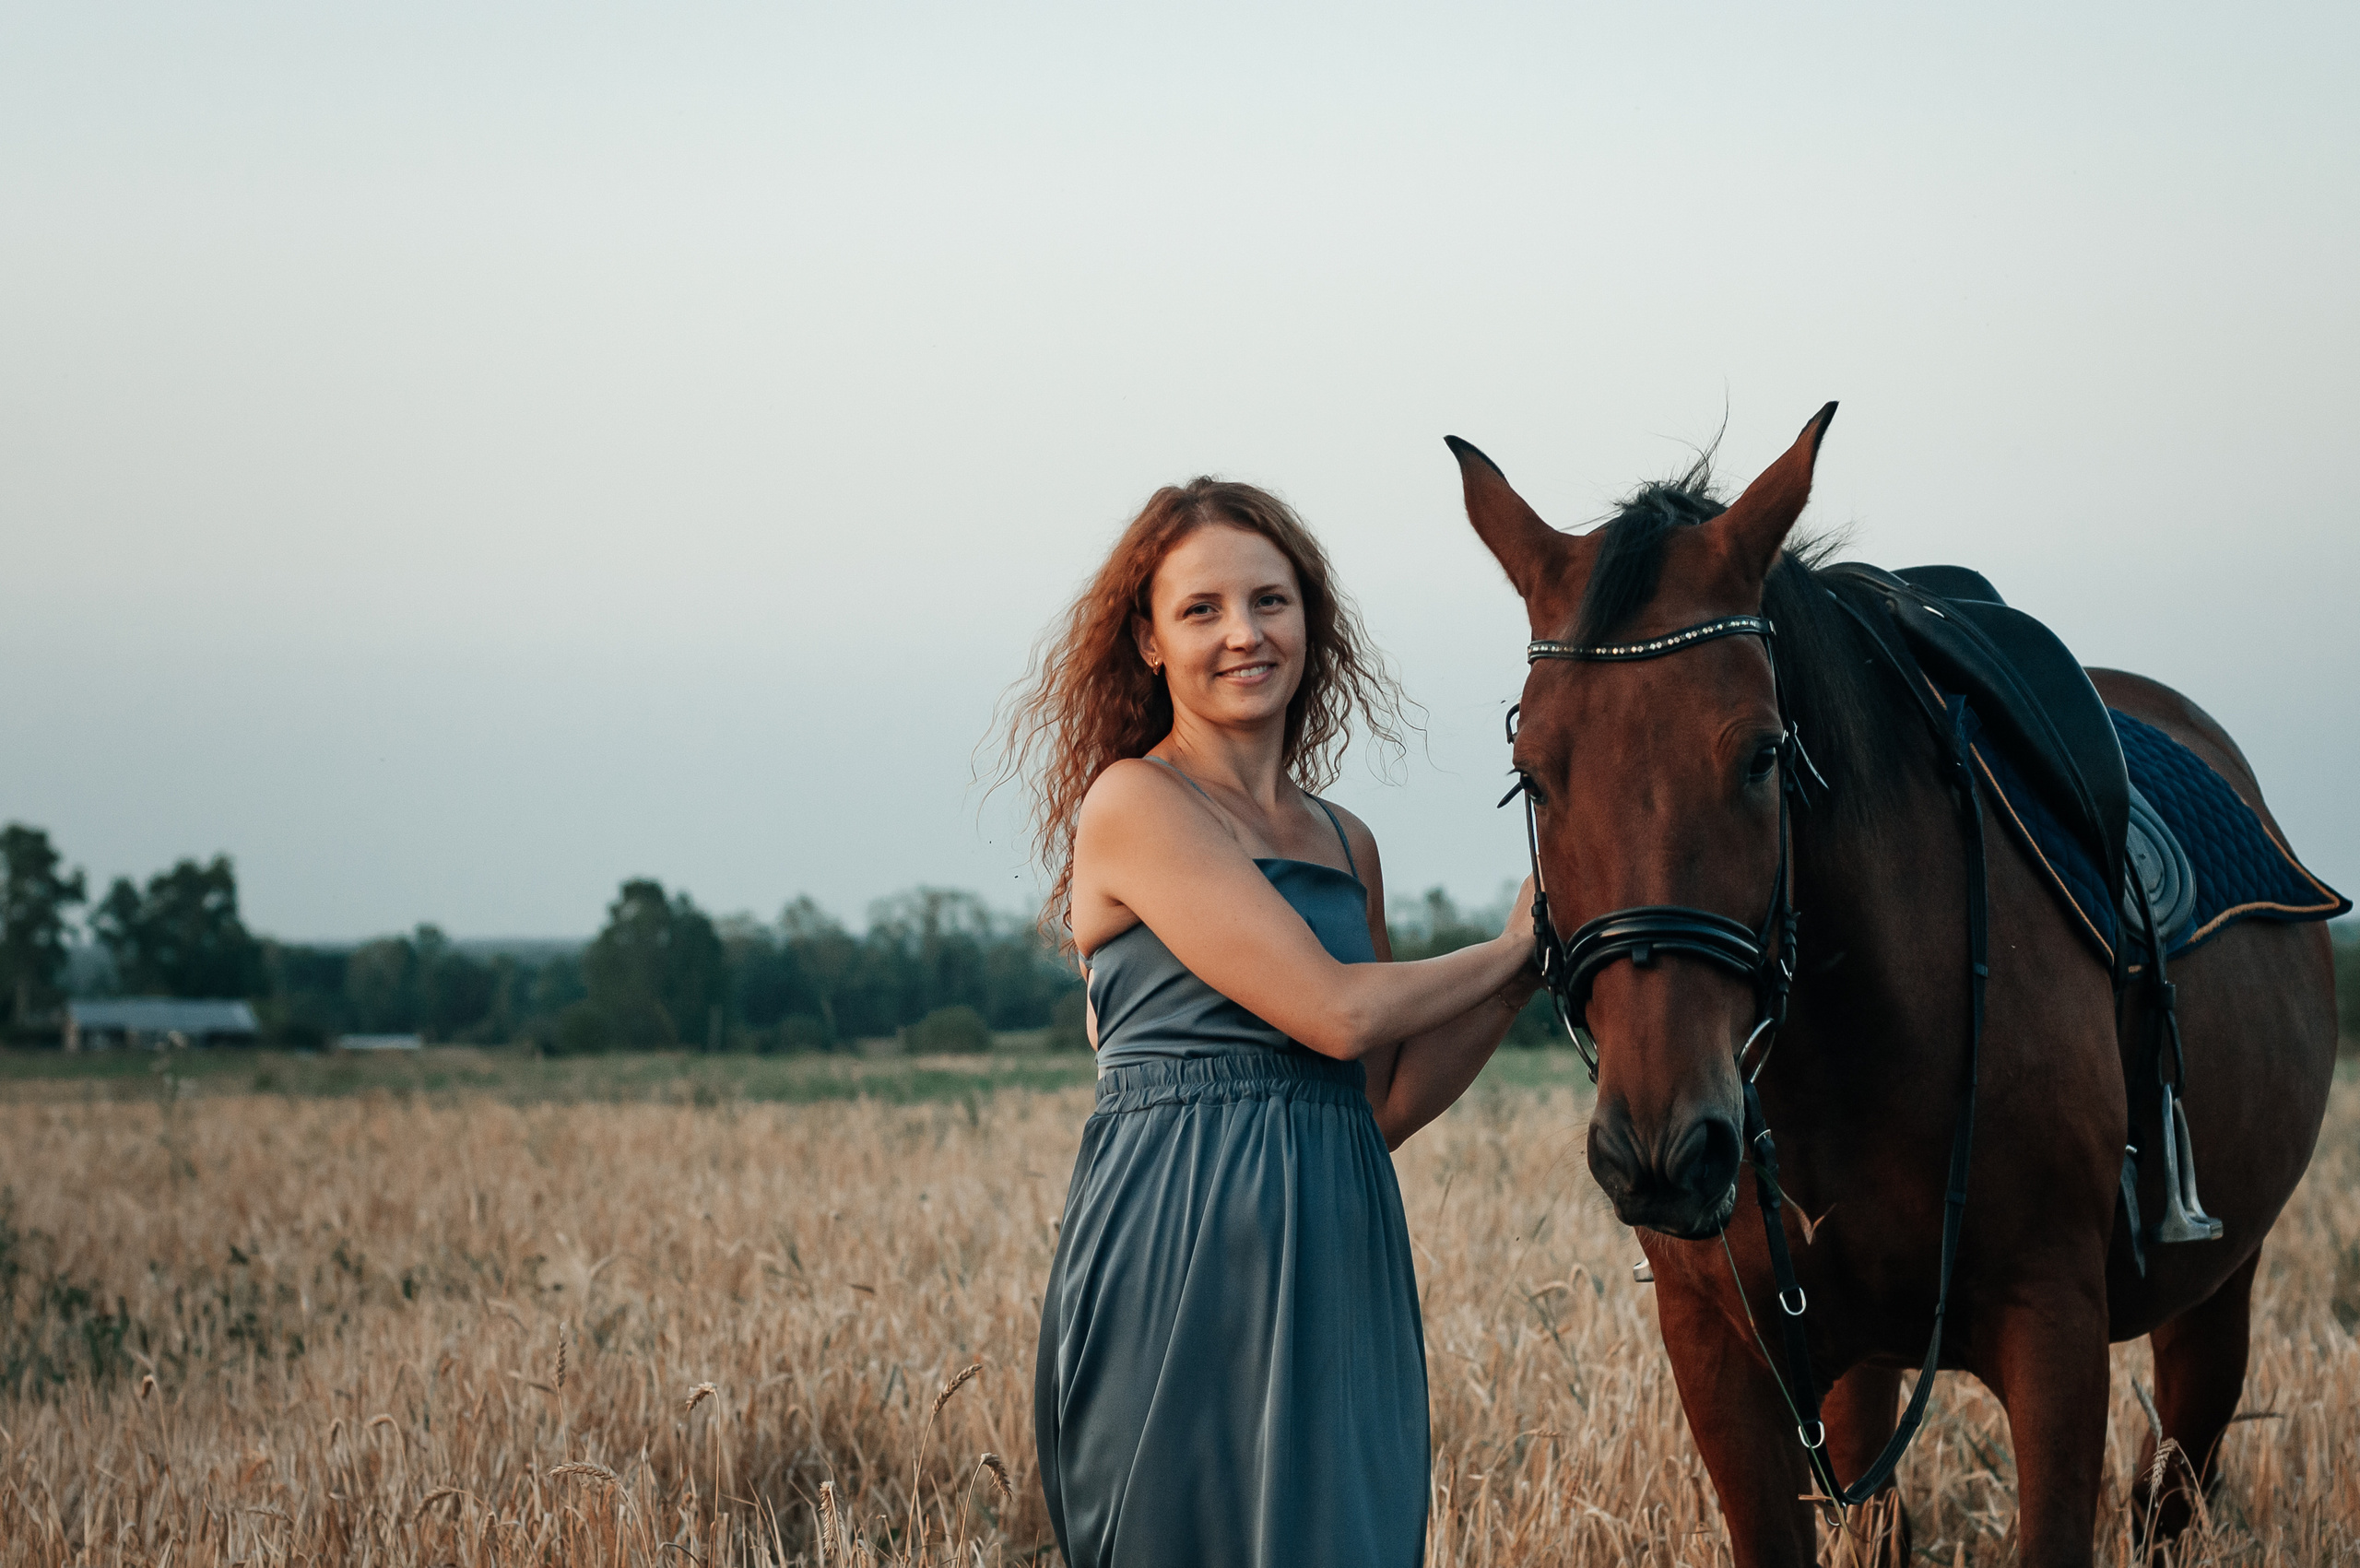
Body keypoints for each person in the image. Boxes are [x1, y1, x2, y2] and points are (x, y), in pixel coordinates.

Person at [996, 477, 1540, 1567]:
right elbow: (1336, 1014)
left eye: (1269, 602)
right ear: (1147, 643)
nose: (1242, 634)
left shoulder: (1346, 842)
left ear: (1309, 622)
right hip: (1177, 1239)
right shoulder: (1135, 804)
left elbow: (1377, 1098)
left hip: (1339, 1231)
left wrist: (1529, 969)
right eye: (1200, 610)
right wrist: (1506, 947)